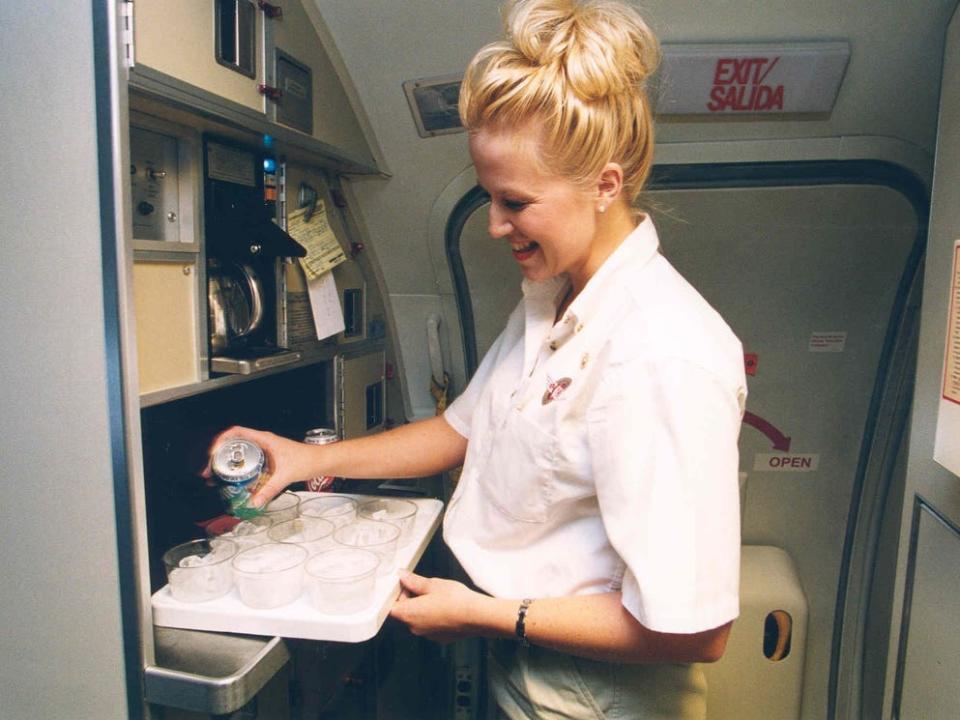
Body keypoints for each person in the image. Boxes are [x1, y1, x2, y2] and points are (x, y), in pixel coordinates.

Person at [206, 0, 746, 717]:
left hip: (598, 697)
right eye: (488, 198)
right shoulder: (555, 301)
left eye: (515, 202)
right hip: (531, 661)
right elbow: (464, 430)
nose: (495, 226)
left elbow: (695, 630)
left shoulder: (661, 350)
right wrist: (305, 461)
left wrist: (486, 614)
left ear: (605, 184)